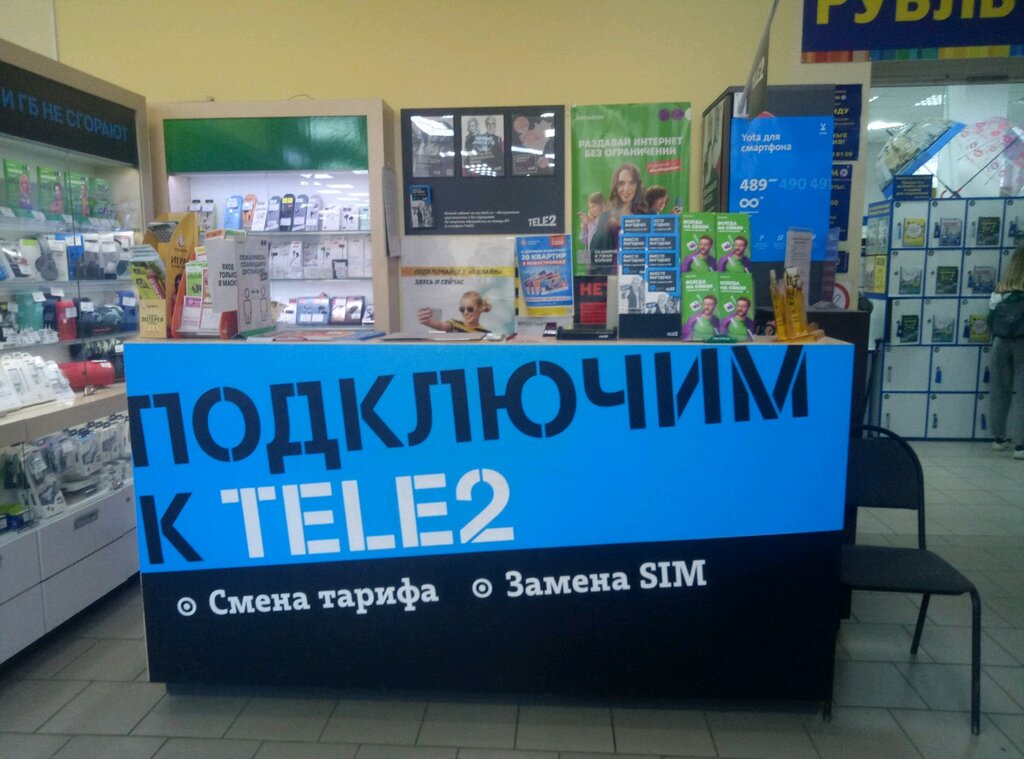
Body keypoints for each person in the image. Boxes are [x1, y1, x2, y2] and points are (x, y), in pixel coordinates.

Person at [988, 241, 1024, 460]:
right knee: (1022, 394)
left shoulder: (1001, 288)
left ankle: (999, 439)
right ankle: (1021, 445)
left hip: (1000, 342)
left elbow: (990, 319)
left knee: (1000, 391)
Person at [588, 163, 646, 266]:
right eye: (621, 183)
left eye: (632, 183)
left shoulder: (646, 217)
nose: (626, 189)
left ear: (638, 185)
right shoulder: (605, 216)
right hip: (610, 274)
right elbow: (592, 254)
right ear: (616, 186)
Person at [418, 290, 492, 333]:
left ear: (479, 309)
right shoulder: (455, 325)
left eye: (470, 309)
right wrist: (427, 321)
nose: (465, 312)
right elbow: (442, 326)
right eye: (462, 309)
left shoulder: (485, 333)